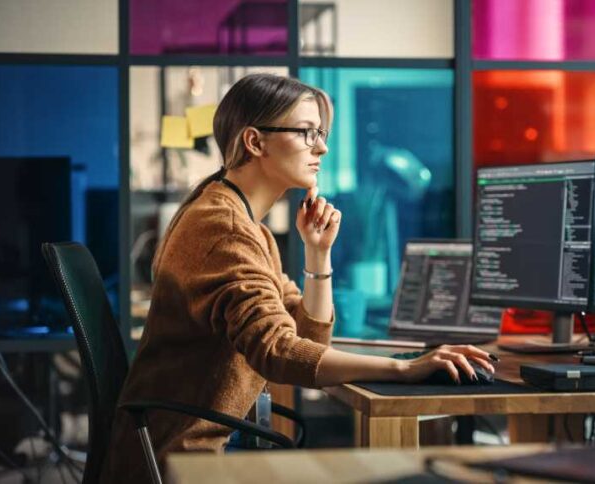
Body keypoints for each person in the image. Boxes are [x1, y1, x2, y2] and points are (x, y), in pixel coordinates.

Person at [101, 74, 495, 482]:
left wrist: (317, 252)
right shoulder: (223, 227)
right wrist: (406, 369)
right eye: (307, 133)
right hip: (177, 462)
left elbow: (307, 340)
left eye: (320, 133)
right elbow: (278, 352)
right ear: (255, 142)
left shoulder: (247, 225)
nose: (321, 147)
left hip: (192, 453)